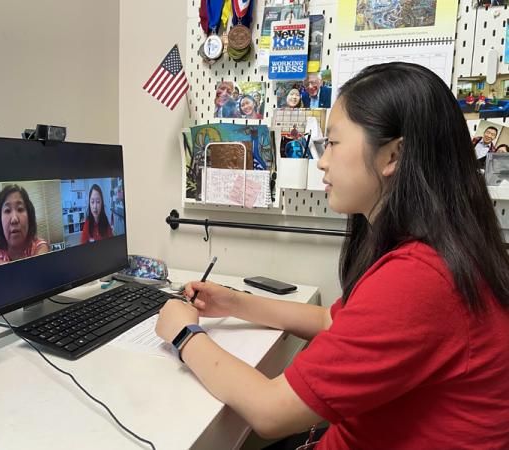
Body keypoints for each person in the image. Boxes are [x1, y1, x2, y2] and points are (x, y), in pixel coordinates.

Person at [155, 62, 509, 449]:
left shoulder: (421, 278)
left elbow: (271, 411)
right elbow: (330, 320)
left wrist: (184, 334)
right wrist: (233, 302)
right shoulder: (439, 251)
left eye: (334, 144)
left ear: (394, 155)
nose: (322, 161)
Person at [0, 184, 49, 268]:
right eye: (7, 211)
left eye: (20, 209)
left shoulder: (39, 248)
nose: (14, 219)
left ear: (29, 217)